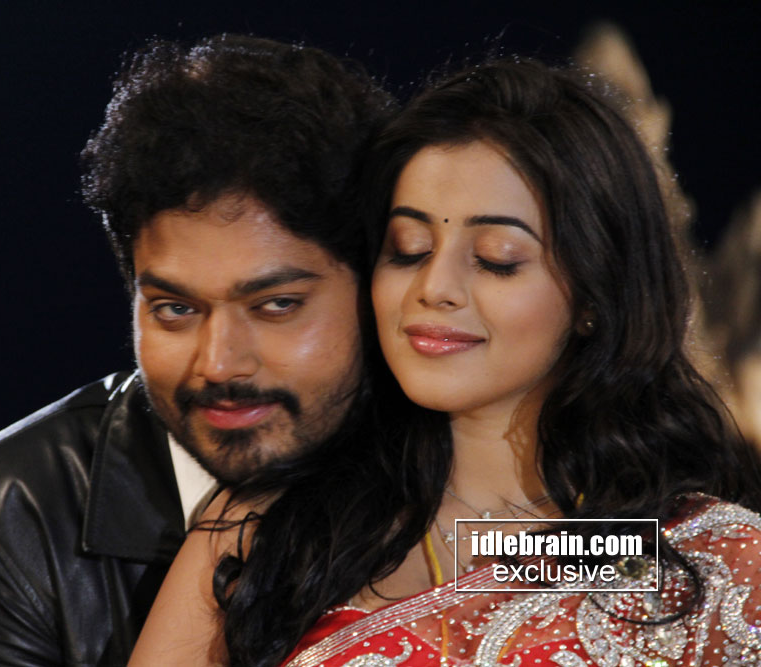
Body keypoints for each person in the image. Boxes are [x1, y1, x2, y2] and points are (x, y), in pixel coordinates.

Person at [129, 59, 761, 666]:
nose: (434, 289)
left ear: (595, 295)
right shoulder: (269, 530)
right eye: (408, 250)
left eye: (496, 259)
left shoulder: (706, 558)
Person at [0, 34, 394, 666]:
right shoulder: (12, 506)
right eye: (176, 309)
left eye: (276, 305)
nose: (219, 364)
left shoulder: (480, 458)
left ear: (378, 288)